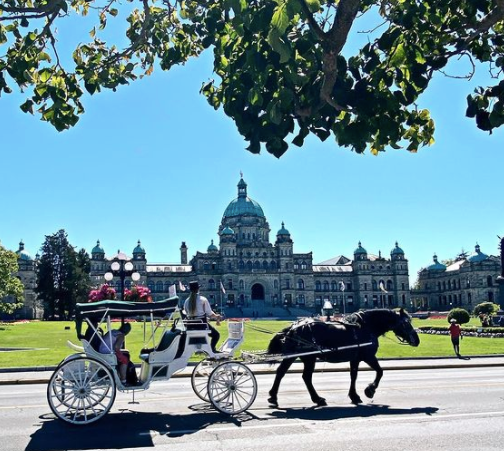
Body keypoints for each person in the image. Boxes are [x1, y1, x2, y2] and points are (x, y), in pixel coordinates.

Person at [184, 280, 222, 353]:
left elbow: (185, 312)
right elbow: (210, 314)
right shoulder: (203, 300)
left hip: (190, 325)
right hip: (201, 325)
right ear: (198, 289)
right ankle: (212, 350)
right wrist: (217, 317)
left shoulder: (187, 301)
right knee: (216, 335)